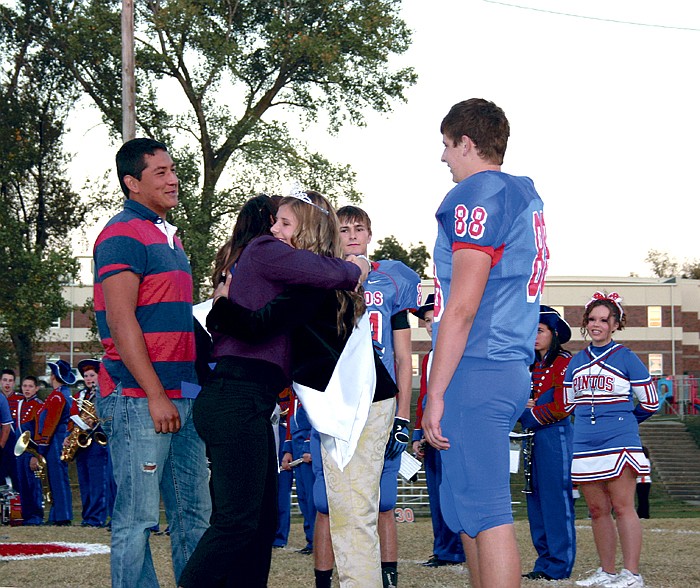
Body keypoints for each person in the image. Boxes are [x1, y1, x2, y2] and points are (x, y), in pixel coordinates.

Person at [178, 191, 370, 588]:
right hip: (234, 395)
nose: (273, 229)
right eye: (274, 220)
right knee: (235, 523)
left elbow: (267, 320)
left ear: (309, 229)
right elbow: (339, 275)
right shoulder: (265, 248)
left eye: (285, 223)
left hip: (252, 399)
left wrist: (222, 308)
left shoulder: (298, 282)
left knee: (260, 524)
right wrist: (359, 265)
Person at [421, 98, 549, 588]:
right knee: (468, 509)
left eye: (447, 145)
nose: (443, 157)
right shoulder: (521, 195)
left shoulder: (479, 193)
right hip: (505, 362)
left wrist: (434, 391)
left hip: (479, 365)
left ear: (466, 143)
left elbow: (464, 306)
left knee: (488, 510)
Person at [93, 138, 212, 587]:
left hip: (183, 395)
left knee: (195, 513)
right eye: (160, 172)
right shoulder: (121, 233)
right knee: (138, 518)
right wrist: (156, 395)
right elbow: (123, 326)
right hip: (139, 398)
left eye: (173, 169)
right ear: (132, 182)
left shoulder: (171, 236)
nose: (173, 178)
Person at [303, 204, 419, 588]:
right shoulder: (322, 274)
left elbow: (403, 358)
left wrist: (404, 416)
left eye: (359, 228)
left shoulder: (391, 279)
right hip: (334, 399)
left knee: (379, 504)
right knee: (328, 503)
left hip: (377, 401)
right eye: (344, 228)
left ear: (370, 233)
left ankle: (384, 579)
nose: (352, 235)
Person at [565, 292, 659, 588]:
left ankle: (631, 574)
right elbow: (568, 405)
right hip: (584, 442)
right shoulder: (576, 361)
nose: (596, 325)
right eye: (592, 319)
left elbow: (651, 402)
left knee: (622, 506)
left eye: (604, 320)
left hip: (620, 440)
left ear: (615, 324)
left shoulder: (627, 357)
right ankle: (606, 571)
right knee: (596, 510)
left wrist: (625, 420)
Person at [520, 306, 576, 581]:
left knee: (555, 499)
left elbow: (564, 405)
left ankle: (559, 564)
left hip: (555, 436)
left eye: (539, 331)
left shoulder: (564, 363)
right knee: (535, 499)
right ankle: (543, 560)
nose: (534, 336)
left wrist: (530, 414)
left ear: (553, 334)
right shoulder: (529, 364)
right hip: (533, 438)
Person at [411, 294, 466, 568]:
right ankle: (443, 548)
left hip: (452, 431)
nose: (432, 325)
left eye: (436, 319)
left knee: (453, 491)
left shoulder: (459, 350)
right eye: (428, 321)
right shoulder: (428, 357)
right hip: (430, 431)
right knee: (435, 492)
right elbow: (424, 397)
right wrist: (417, 435)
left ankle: (457, 549)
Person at [70, 359, 116, 528]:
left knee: (99, 484)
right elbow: (72, 415)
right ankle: (88, 516)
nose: (89, 379)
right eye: (86, 376)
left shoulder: (104, 394)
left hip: (98, 442)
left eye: (92, 375)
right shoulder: (81, 396)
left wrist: (95, 420)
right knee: (85, 483)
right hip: (83, 443)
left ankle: (97, 517)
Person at [33, 359, 75, 525]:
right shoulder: (61, 394)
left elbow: (51, 422)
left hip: (55, 440)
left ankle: (62, 516)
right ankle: (58, 514)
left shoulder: (58, 396)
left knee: (58, 479)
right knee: (56, 479)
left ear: (54, 376)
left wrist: (42, 445)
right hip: (56, 438)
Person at [12, 376, 45, 525]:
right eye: (24, 386)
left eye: (30, 386)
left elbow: (39, 431)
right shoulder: (19, 404)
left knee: (33, 484)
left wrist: (36, 455)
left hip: (31, 450)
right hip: (19, 451)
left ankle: (36, 516)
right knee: (22, 483)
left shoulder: (39, 405)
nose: (27, 389)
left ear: (36, 388)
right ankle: (26, 515)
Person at [0, 369, 16, 487]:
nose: (7, 383)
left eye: (10, 381)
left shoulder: (19, 399)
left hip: (12, 442)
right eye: (5, 380)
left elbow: (7, 426)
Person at [636, 447, 651, 519]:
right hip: (645, 481)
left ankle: (643, 514)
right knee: (643, 499)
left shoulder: (643, 460)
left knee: (642, 499)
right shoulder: (647, 460)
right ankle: (643, 513)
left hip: (642, 481)